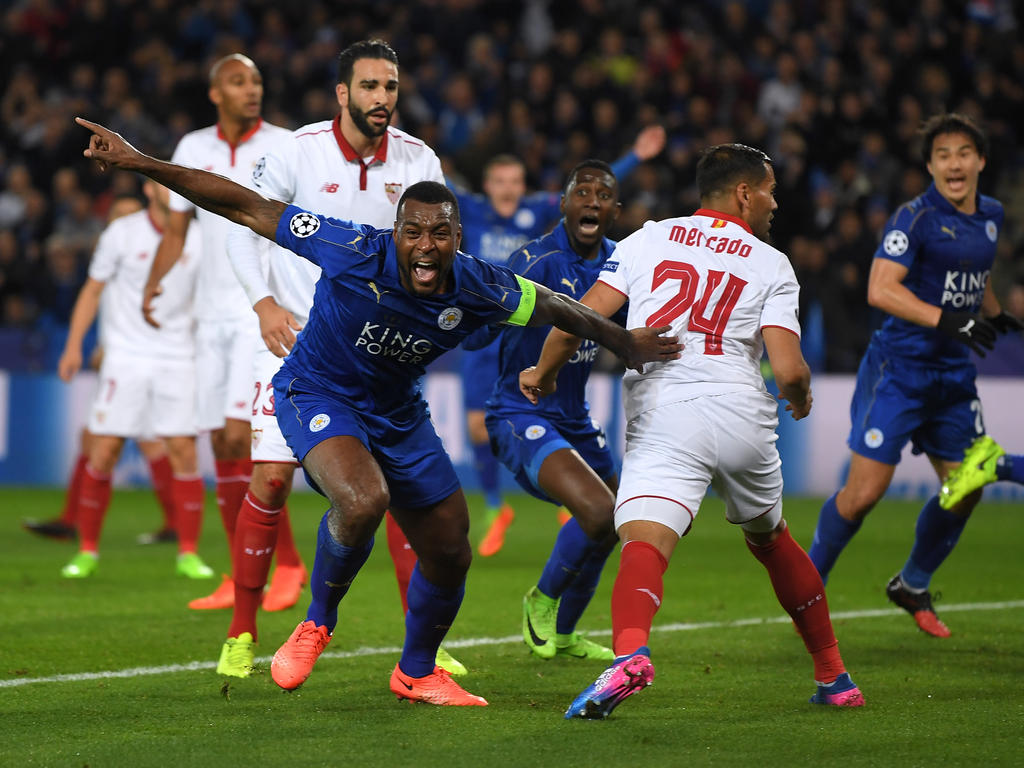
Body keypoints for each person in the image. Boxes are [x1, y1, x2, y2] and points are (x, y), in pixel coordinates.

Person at [75, 115, 680, 705]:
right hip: (317, 393)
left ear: (457, 239)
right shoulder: (350, 247)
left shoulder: (476, 285)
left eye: (439, 234)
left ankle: (416, 672)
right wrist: (141, 162)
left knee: (450, 547)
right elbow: (246, 206)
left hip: (398, 411)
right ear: (395, 233)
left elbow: (552, 306)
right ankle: (317, 622)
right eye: (412, 232)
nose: (424, 247)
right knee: (364, 500)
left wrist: (623, 341)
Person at [521, 143, 864, 719]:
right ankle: (834, 676)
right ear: (744, 194)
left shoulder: (646, 238)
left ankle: (629, 656)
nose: (776, 204)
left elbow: (582, 313)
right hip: (740, 414)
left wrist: (543, 370)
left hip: (666, 412)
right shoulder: (771, 262)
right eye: (771, 191)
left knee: (645, 544)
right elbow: (788, 369)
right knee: (772, 539)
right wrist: (800, 398)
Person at [219, 39, 461, 678]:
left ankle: (422, 643)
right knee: (270, 479)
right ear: (342, 93)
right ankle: (242, 632)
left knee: (401, 497)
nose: (382, 99)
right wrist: (264, 304)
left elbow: (435, 249)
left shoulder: (417, 159)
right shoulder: (297, 151)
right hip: (290, 342)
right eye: (370, 86)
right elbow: (242, 227)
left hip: (375, 358)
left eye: (390, 87)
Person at [806, 113, 1023, 638]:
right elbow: (880, 289)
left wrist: (992, 314)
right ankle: (807, 587)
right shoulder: (914, 218)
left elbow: (974, 277)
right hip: (899, 371)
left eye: (964, 152)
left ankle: (912, 583)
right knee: (862, 496)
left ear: (980, 161)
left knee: (964, 489)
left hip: (951, 377)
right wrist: (949, 319)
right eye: (943, 154)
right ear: (930, 165)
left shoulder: (990, 216)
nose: (954, 162)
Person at [141, 54, 304, 610]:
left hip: (258, 306)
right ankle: (241, 575)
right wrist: (154, 282)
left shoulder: (286, 143)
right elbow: (176, 230)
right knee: (221, 443)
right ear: (216, 93)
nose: (251, 89)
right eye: (239, 81)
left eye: (257, 80)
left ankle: (288, 565)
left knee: (247, 438)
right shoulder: (191, 148)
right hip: (208, 314)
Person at [457, 127, 667, 557]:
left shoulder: (612, 254)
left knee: (622, 519)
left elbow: (593, 188)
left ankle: (557, 610)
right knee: (476, 424)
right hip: (509, 343)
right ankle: (496, 507)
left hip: (571, 405)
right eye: (500, 181)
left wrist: (633, 156)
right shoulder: (509, 240)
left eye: (515, 181)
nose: (508, 190)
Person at [480, 159, 625, 662]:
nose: (591, 201)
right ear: (562, 205)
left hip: (575, 420)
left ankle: (564, 633)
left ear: (614, 210)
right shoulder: (535, 260)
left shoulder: (620, 265)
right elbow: (483, 317)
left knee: (615, 520)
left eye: (603, 195)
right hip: (520, 412)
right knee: (597, 509)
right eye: (580, 193)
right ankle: (539, 601)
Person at [55, 179, 210, 579]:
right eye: (163, 180)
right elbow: (92, 290)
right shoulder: (122, 232)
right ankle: (87, 550)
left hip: (179, 355)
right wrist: (74, 345)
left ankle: (188, 552)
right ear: (148, 189)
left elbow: (210, 298)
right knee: (104, 450)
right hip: (124, 356)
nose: (172, 188)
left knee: (183, 452)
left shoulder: (199, 236)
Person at [24, 194, 179, 544]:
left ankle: (172, 525)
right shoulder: (111, 262)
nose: (123, 221)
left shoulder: (156, 257)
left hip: (143, 360)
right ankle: (74, 519)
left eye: (129, 214)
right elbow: (105, 307)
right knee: (102, 438)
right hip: (116, 360)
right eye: (117, 215)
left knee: (146, 442)